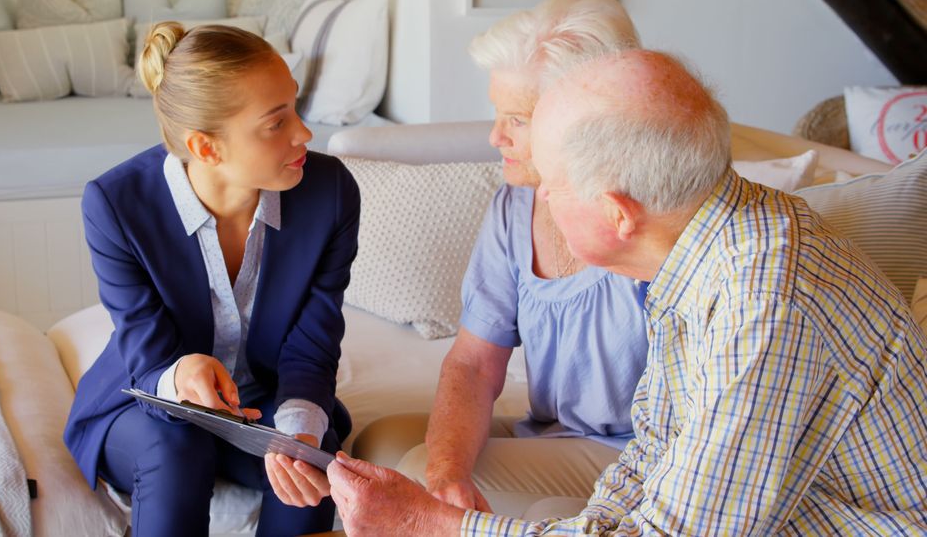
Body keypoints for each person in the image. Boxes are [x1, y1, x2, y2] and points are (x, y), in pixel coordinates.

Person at [324, 48, 927, 535]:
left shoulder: (763, 305)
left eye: (553, 187)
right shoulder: (698, 250)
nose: (543, 202)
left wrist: (438, 526)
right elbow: (652, 456)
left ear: (616, 214)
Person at [354, 0, 650, 519]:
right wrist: (450, 472)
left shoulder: (644, 212)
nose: (495, 136)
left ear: (584, 119)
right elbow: (473, 363)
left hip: (637, 455)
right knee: (379, 447)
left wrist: (439, 479)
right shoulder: (514, 205)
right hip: (552, 433)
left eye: (516, 118)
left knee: (414, 473)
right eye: (498, 113)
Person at [63, 22, 358, 537]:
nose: (304, 133)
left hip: (262, 400)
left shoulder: (331, 192)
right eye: (276, 122)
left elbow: (314, 340)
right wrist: (183, 375)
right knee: (179, 446)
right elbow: (145, 349)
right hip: (146, 404)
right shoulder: (115, 205)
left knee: (307, 460)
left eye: (296, 106)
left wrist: (298, 435)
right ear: (205, 148)